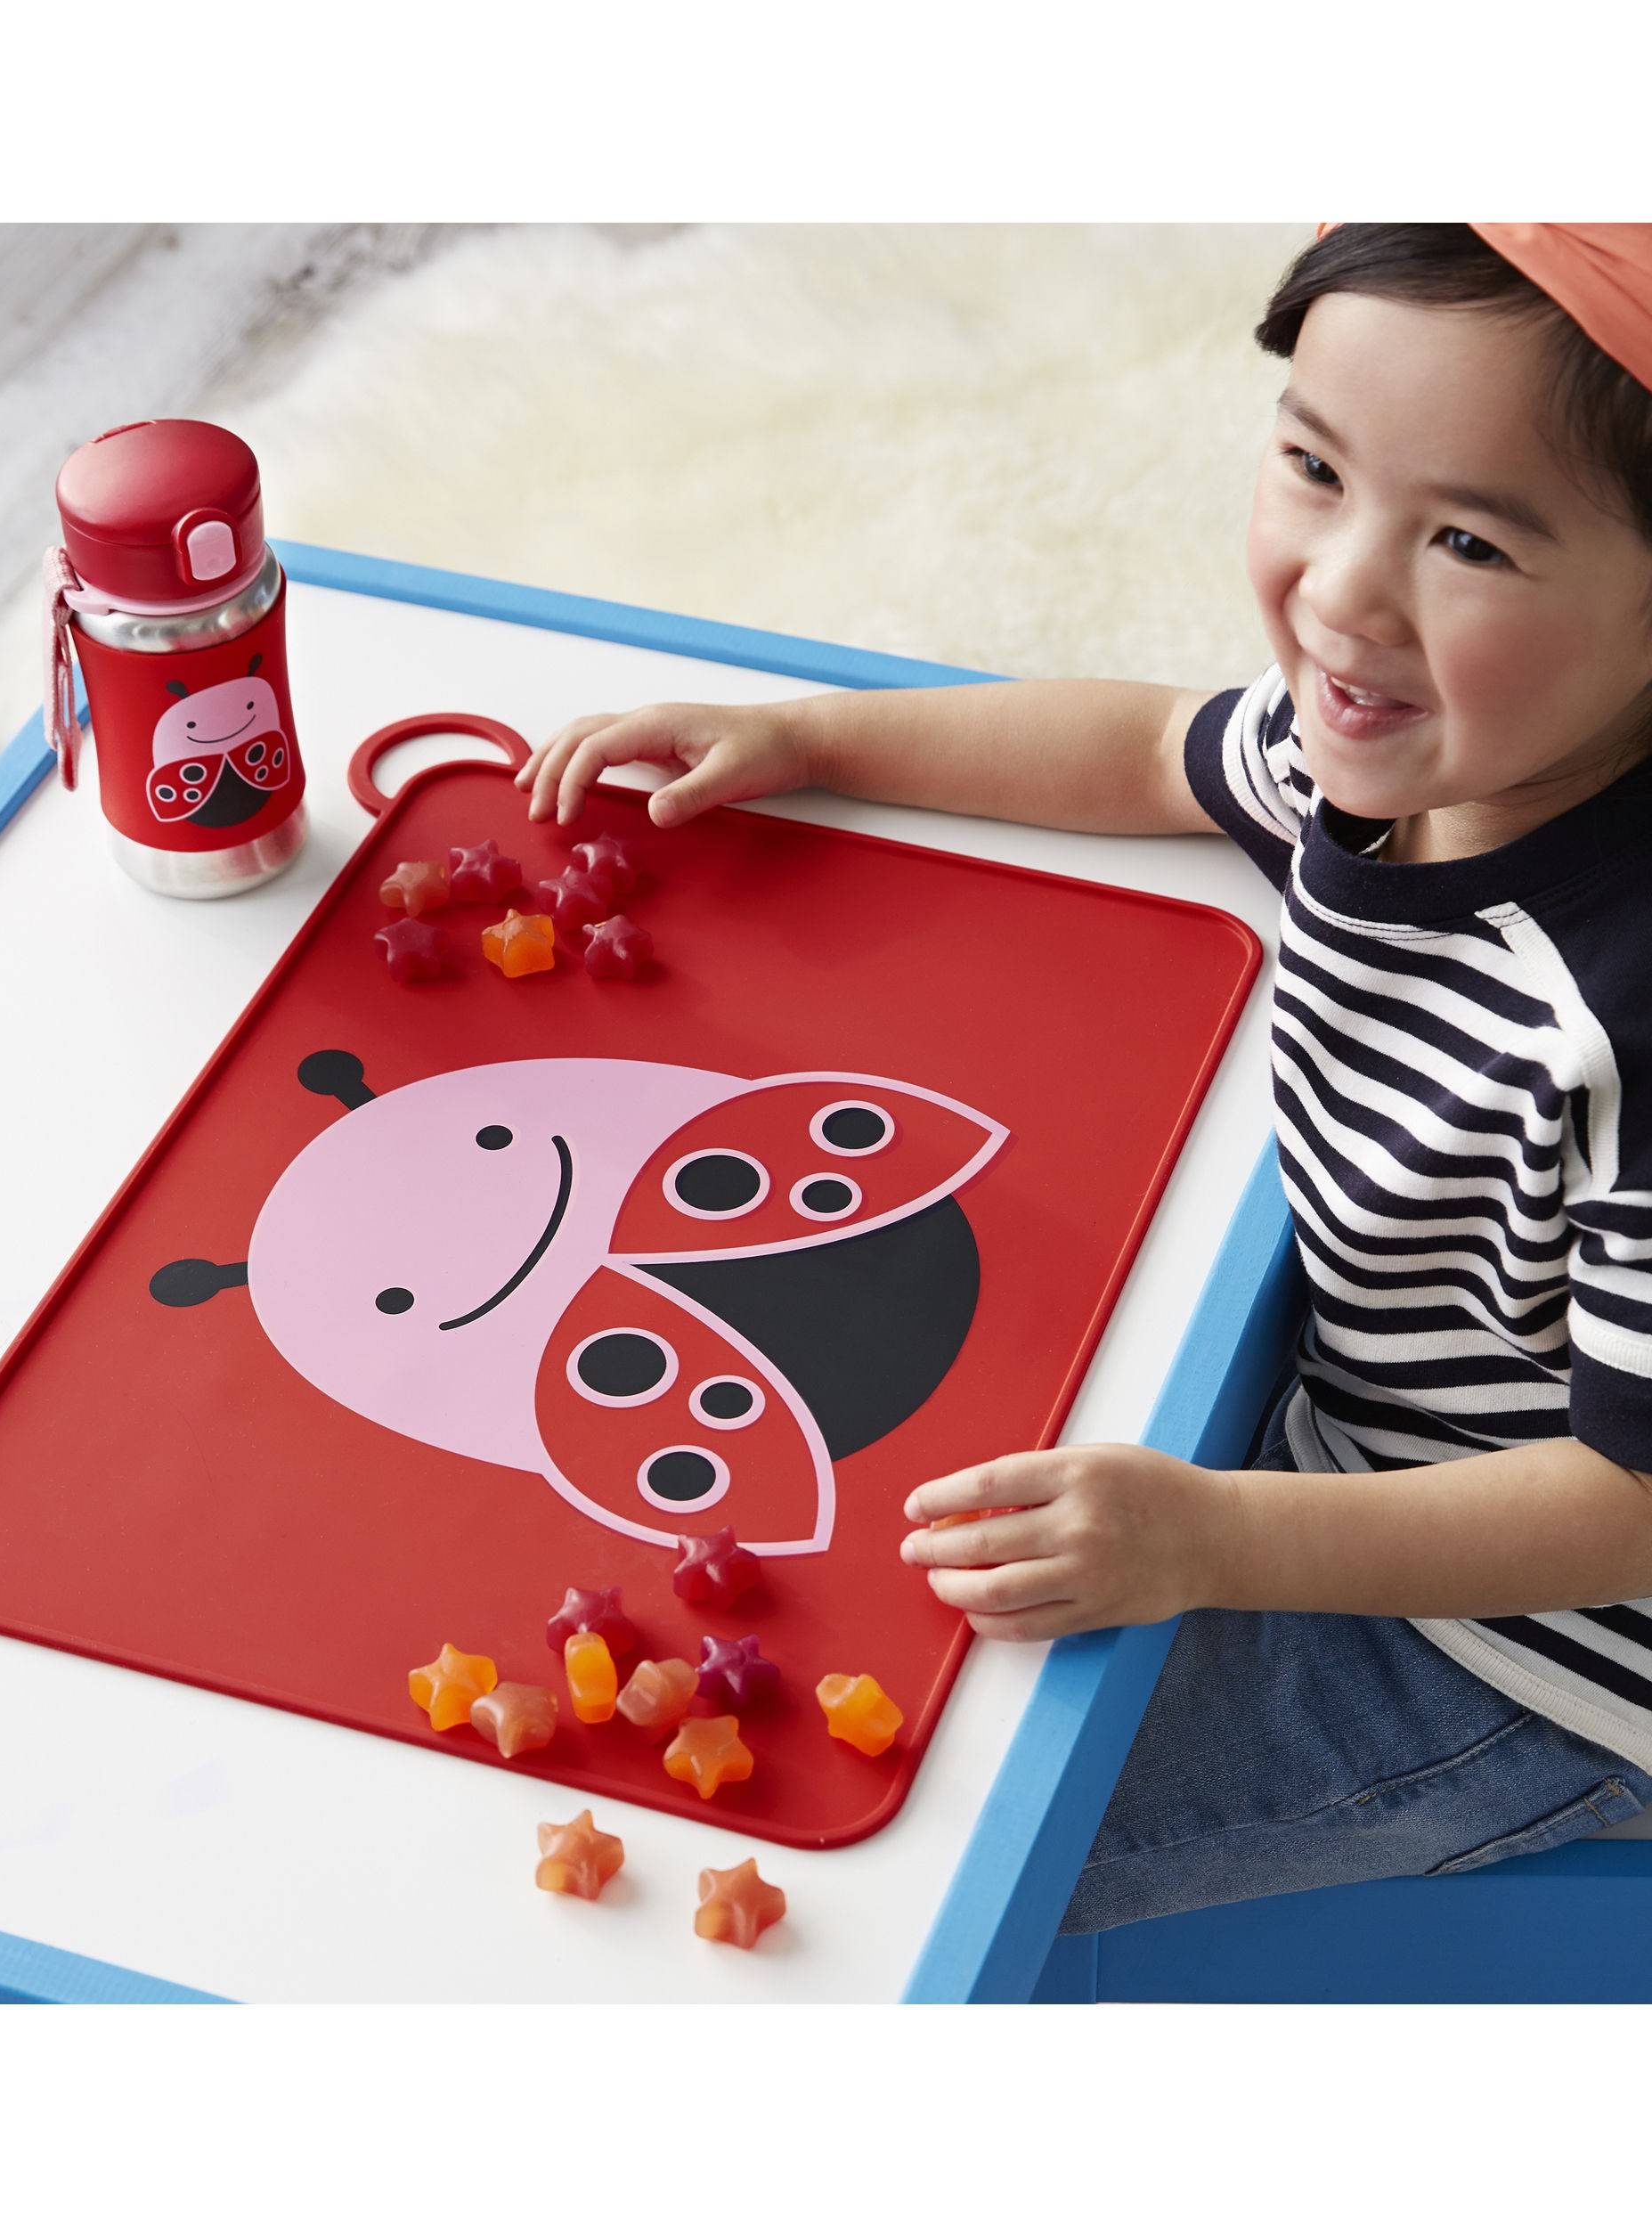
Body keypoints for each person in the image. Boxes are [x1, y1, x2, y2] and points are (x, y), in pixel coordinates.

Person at [519, 224, 1652, 1930]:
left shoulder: (1624, 1020)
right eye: (1315, 468)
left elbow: (1632, 1506)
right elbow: (1146, 749)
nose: (1342, 592)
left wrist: (1216, 1540)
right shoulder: (1384, 745)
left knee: (907, 1866)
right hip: (1343, 1441)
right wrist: (817, 736)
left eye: (1471, 540)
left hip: (1533, 1655)